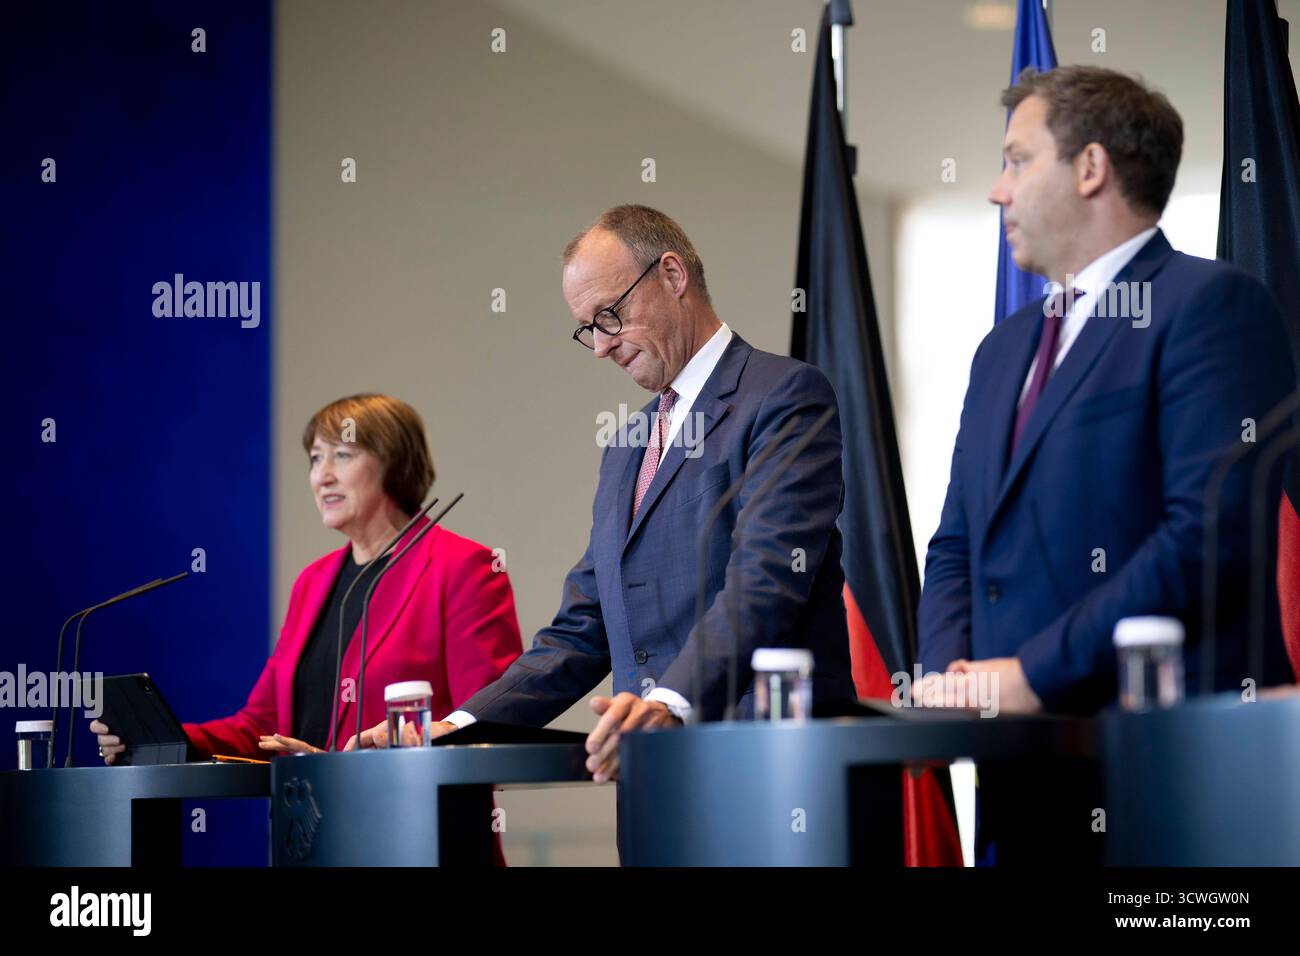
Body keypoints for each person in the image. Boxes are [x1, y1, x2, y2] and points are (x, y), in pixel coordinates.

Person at [348, 205, 857, 782]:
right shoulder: (627, 445)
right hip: (651, 786)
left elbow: (764, 579)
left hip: (768, 779)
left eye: (609, 315)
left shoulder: (784, 396)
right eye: (587, 328)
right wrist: (457, 727)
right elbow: (582, 627)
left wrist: (670, 702)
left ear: (672, 275)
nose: (599, 347)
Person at [916, 65, 1296, 714]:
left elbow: (1203, 538)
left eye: (1016, 161)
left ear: (1090, 167)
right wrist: (954, 682)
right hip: (1006, 759)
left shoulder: (1211, 306)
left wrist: (1030, 675)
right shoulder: (999, 351)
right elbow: (957, 541)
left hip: (1149, 753)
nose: (996, 191)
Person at [91, 393, 522, 762]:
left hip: (421, 833)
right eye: (316, 458)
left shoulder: (461, 567)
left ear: (395, 462)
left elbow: (481, 729)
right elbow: (260, 726)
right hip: (315, 833)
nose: (322, 475)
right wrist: (167, 740)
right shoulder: (313, 583)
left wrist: (343, 765)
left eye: (343, 454)